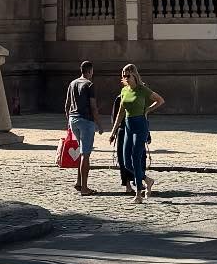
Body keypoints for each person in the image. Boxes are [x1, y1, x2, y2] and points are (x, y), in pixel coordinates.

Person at [108, 63, 163, 203]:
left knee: (136, 159)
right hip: (128, 126)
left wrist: (147, 110)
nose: (125, 78)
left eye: (127, 75)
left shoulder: (142, 89)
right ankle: (147, 180)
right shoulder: (124, 91)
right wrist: (113, 132)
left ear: (134, 75)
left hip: (140, 126)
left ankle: (138, 194)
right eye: (123, 76)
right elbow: (120, 112)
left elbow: (160, 100)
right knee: (126, 162)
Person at [64, 59, 102, 195]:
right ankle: (85, 188)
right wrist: (99, 124)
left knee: (82, 152)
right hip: (86, 121)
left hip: (73, 120)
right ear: (90, 71)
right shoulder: (89, 85)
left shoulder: (72, 83)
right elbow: (93, 107)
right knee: (86, 154)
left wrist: (68, 122)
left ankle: (79, 182)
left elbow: (67, 105)